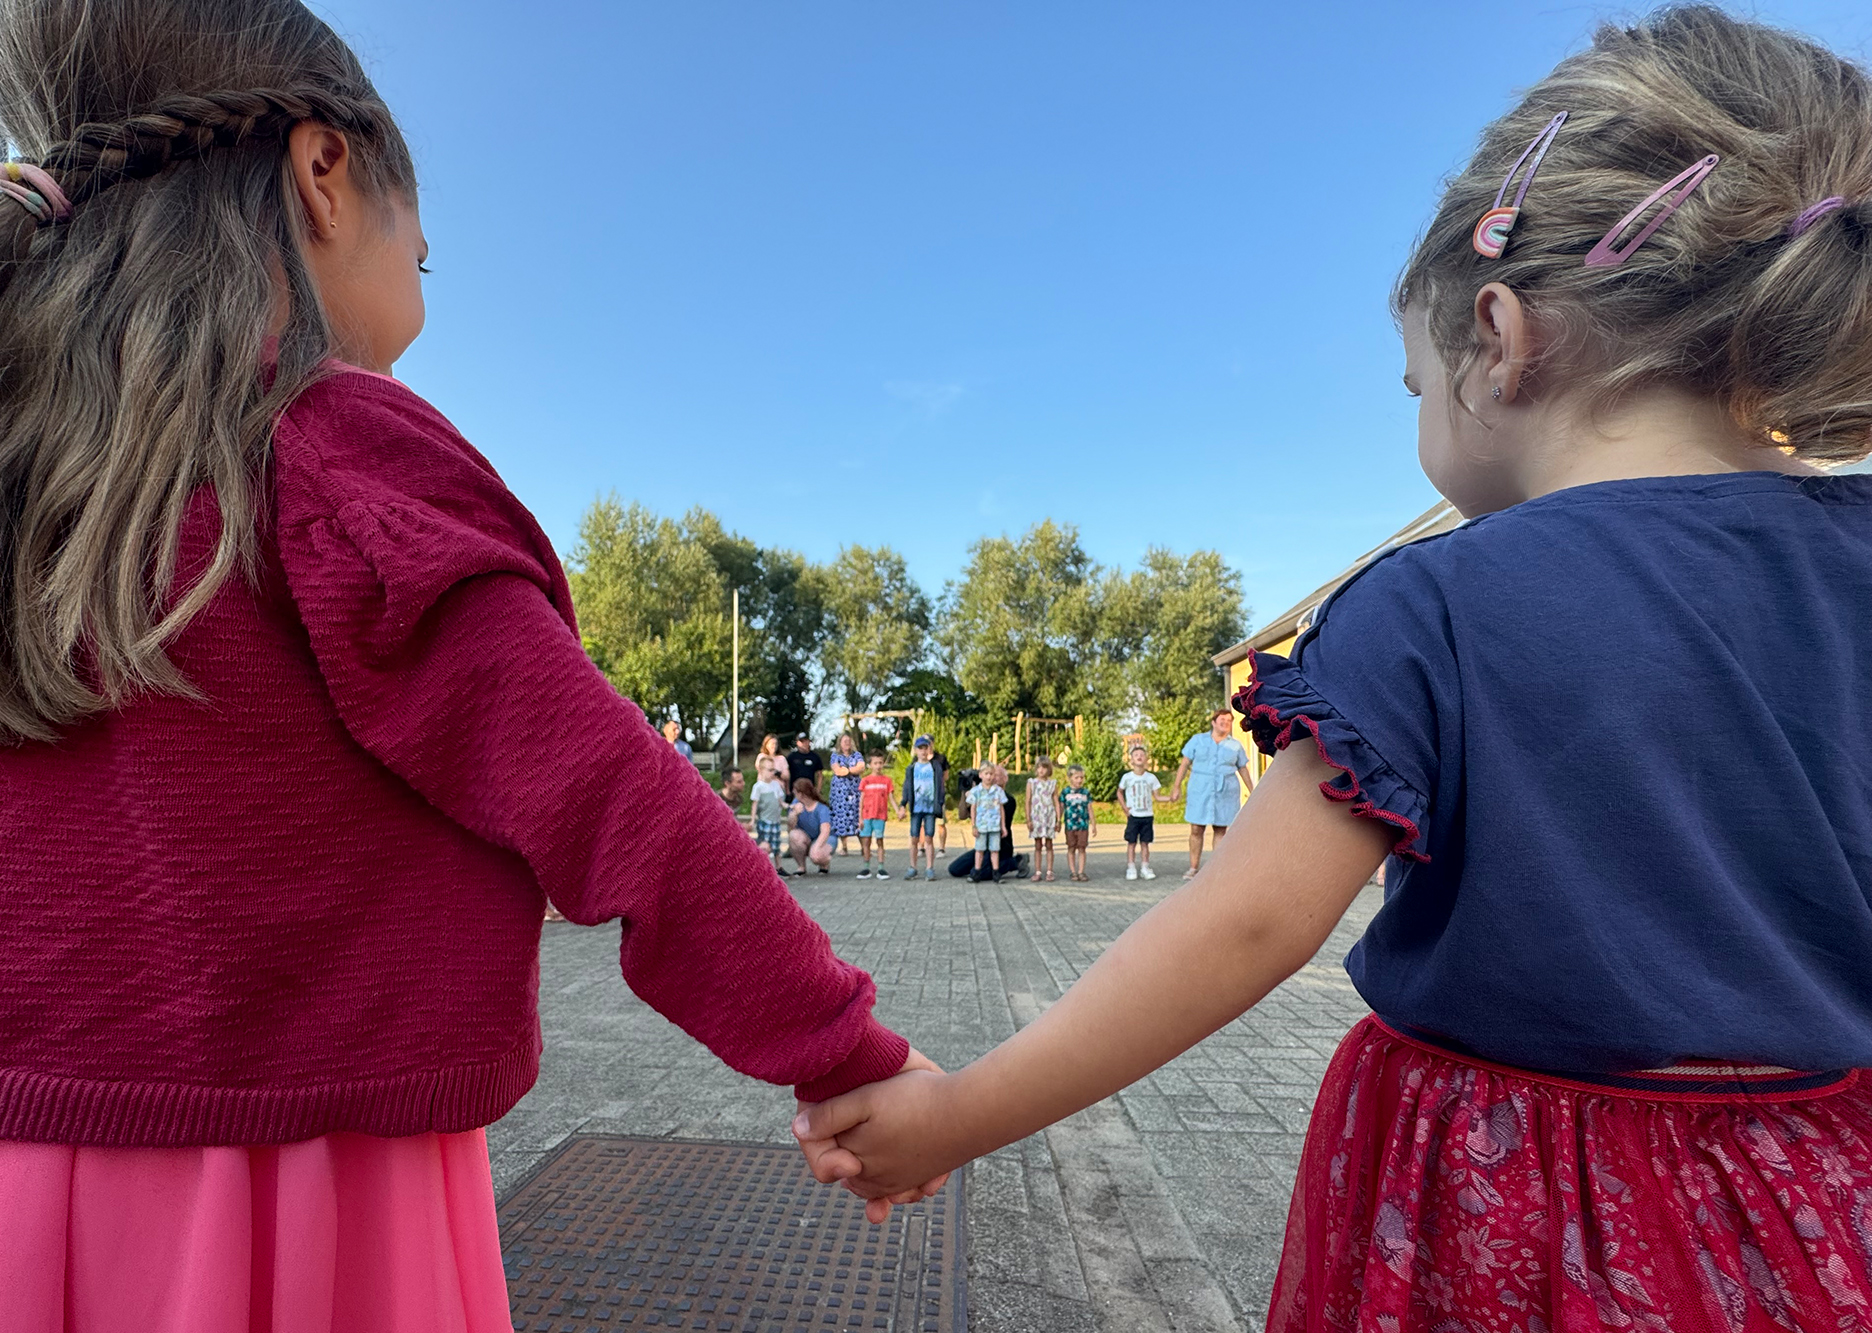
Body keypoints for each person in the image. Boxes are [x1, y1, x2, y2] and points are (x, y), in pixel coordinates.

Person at [0, 2, 945, 1321]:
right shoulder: (331, 449)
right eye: (425, 259)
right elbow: (606, 793)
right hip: (275, 1192)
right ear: (326, 174)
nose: (421, 297)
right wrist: (845, 1053)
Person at [798, 8, 1872, 1325]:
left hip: (1516, 1212)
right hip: (1826, 1196)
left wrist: (957, 1114)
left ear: (1500, 335)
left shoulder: (1437, 604)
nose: (1419, 409)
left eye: (1412, 380)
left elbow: (1248, 920)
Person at [1172, 709, 1253, 877]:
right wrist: (1176, 787)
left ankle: (1217, 869)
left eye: (1229, 721)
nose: (1225, 723)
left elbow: (1243, 768)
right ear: (1214, 722)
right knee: (1196, 828)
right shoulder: (1197, 740)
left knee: (1220, 829)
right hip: (1200, 789)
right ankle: (1193, 868)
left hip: (1226, 790)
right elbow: (1184, 763)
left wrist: (1253, 791)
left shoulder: (1235, 745)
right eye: (1222, 720)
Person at [900, 735, 945, 881]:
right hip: (916, 809)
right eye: (920, 749)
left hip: (930, 809)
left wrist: (940, 802)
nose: (923, 752)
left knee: (929, 837)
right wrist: (903, 804)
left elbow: (940, 785)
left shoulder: (935, 767)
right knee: (914, 837)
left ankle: (929, 868)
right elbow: (907, 787)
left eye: (925, 748)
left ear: (929, 749)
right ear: (916, 751)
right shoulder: (911, 768)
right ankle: (913, 867)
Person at [1116, 746, 1161, 881]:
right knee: (1131, 842)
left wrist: (1170, 798)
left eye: (1142, 754)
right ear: (1131, 760)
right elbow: (1119, 792)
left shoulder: (1151, 778)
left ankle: (1145, 867)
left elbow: (1157, 796)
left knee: (1145, 843)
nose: (1139, 756)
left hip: (1147, 815)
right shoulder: (1127, 777)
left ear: (1146, 759)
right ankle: (1131, 867)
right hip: (1134, 815)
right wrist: (1124, 808)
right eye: (1136, 755)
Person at [962, 766, 1008, 883]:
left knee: (995, 850)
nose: (989, 776)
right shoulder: (976, 791)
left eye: (991, 774)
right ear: (980, 775)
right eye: (986, 774)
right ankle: (977, 872)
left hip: (994, 825)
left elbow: (1001, 809)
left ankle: (996, 872)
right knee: (979, 849)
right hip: (981, 825)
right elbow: (973, 808)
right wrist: (973, 825)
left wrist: (1003, 826)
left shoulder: (998, 791)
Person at [857, 753, 895, 880]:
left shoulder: (887, 781)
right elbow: (861, 801)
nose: (878, 766)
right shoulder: (865, 781)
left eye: (880, 763)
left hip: (880, 816)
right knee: (866, 842)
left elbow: (891, 798)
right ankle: (866, 867)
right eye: (875, 763)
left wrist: (898, 810)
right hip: (867, 816)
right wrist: (860, 818)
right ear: (870, 765)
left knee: (880, 841)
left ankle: (881, 868)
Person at [785, 778, 834, 876]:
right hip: (806, 837)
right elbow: (790, 829)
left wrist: (817, 847)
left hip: (824, 838)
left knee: (816, 856)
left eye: (795, 792)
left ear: (801, 794)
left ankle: (824, 863)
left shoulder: (821, 808)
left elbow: (825, 830)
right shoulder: (796, 803)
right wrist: (794, 814)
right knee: (794, 835)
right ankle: (801, 867)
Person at [828, 731, 865, 856]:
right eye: (845, 742)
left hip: (855, 792)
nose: (847, 744)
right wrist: (852, 770)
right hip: (840, 794)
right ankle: (844, 847)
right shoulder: (835, 756)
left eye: (849, 741)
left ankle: (863, 846)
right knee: (841, 818)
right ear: (840, 743)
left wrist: (847, 770)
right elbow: (837, 771)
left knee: (858, 816)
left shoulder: (857, 755)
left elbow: (861, 767)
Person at [1024, 756, 1061, 882]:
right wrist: (1028, 819)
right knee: (1038, 844)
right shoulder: (1031, 783)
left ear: (1048, 769)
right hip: (1036, 817)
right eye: (1039, 767)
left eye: (1044, 768)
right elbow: (1028, 801)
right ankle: (1038, 871)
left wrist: (1058, 819)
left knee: (1049, 844)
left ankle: (1050, 871)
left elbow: (1056, 802)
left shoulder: (1052, 784)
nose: (1041, 770)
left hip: (1049, 816)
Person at [1060, 764, 1093, 882]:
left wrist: (1093, 823)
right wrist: (1057, 821)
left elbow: (1089, 808)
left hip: (1083, 825)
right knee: (1071, 848)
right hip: (1070, 825)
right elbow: (1061, 807)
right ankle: (1073, 871)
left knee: (1082, 848)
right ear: (1070, 778)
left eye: (1081, 778)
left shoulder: (1085, 792)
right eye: (1076, 777)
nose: (1079, 780)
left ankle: (1081, 871)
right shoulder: (1065, 792)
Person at [752, 766, 788, 873]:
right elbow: (755, 804)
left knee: (776, 844)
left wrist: (788, 806)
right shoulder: (758, 787)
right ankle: (764, 866)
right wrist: (753, 819)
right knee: (765, 844)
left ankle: (779, 866)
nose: (772, 773)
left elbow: (780, 801)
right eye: (769, 770)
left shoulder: (776, 785)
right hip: (764, 820)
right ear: (761, 770)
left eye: (773, 770)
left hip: (775, 820)